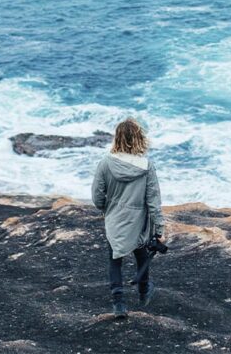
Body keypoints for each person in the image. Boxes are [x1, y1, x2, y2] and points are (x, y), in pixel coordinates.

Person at [91, 118, 164, 318]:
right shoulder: (147, 166)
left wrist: (108, 209)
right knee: (141, 255)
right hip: (139, 223)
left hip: (114, 219)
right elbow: (153, 201)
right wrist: (160, 230)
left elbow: (97, 196)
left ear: (117, 138)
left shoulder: (106, 163)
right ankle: (143, 292)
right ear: (139, 139)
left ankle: (119, 304)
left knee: (115, 259)